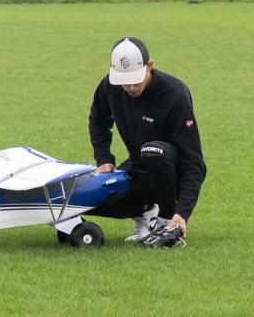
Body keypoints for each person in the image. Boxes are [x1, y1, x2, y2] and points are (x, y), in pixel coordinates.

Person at [88, 37, 206, 247]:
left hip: (172, 171)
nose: (130, 87)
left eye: (135, 80)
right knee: (87, 200)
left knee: (152, 150)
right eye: (124, 82)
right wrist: (103, 158)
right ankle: (146, 212)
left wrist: (181, 214)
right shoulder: (110, 85)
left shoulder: (175, 94)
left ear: (149, 65)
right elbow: (98, 119)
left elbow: (194, 162)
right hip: (139, 167)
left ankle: (166, 219)